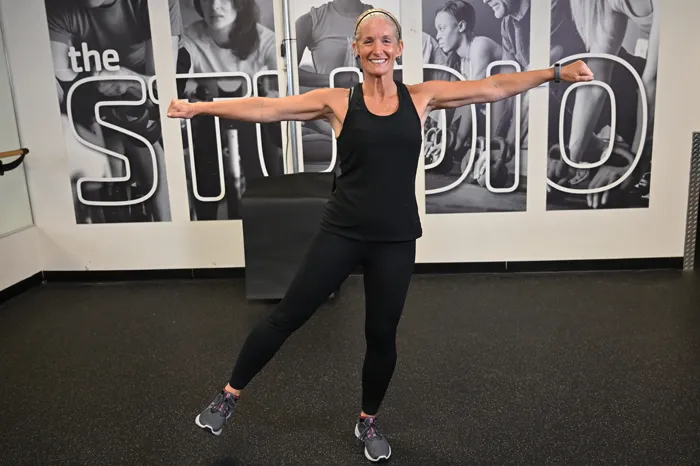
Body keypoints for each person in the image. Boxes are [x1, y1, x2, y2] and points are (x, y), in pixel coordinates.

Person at [167, 8, 593, 462]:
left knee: (381, 334)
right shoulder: (337, 101)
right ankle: (229, 395)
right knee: (286, 316)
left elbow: (490, 87)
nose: (378, 49)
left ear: (400, 47)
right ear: (356, 49)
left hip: (394, 239)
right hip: (341, 232)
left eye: (386, 40)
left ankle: (367, 420)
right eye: (368, 41)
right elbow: (268, 108)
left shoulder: (422, 97)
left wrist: (553, 73)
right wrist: (200, 107)